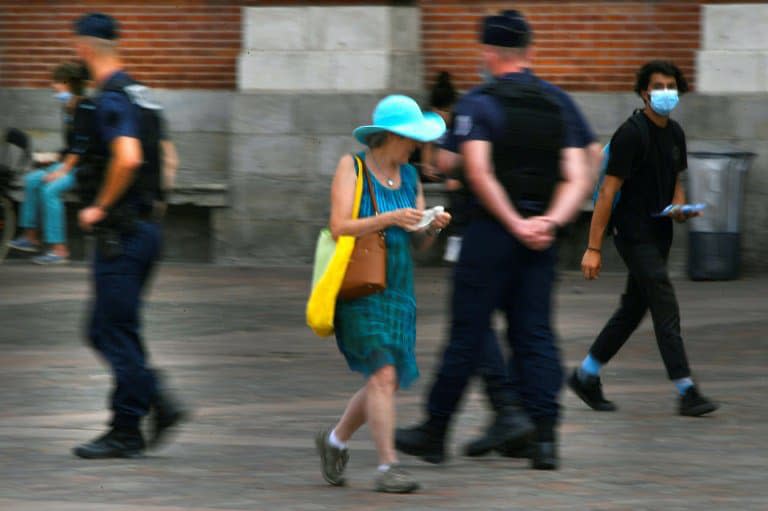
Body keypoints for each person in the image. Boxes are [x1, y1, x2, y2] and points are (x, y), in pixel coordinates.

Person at [395, 10, 594, 470]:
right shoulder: (558, 103)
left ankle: (435, 431)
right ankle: (545, 440)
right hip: (540, 240)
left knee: (467, 334)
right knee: (535, 334)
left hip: (489, 235)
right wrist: (548, 223)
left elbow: (474, 171)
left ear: (488, 53)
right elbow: (580, 173)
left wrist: (510, 220)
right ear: (530, 52)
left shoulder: (480, 102)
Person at [314, 94, 450, 493]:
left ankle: (335, 440)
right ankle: (388, 466)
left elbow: (420, 244)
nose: (417, 146)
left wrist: (432, 226)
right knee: (384, 374)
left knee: (381, 380)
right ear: (391, 136)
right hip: (362, 286)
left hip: (398, 289)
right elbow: (339, 227)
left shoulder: (409, 176)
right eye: (412, 138)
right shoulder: (352, 166)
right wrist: (390, 217)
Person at [569, 60, 718, 417]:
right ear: (643, 92)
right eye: (658, 86)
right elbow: (607, 193)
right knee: (663, 299)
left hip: (660, 233)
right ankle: (686, 390)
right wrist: (593, 247)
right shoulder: (631, 134)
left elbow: (675, 182)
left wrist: (679, 207)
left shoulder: (675, 133)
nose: (665, 92)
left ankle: (586, 375)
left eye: (671, 86)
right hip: (632, 234)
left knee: (634, 308)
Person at [70, 12, 186, 459]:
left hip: (121, 234)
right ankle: (135, 417)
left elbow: (129, 157)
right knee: (110, 331)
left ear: (84, 47)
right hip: (144, 229)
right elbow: (168, 159)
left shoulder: (111, 98)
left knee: (110, 332)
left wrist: (101, 205)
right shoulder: (142, 96)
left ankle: (141, 416)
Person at [8, 62, 91, 264]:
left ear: (70, 84)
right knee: (32, 179)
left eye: (58, 82)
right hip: (71, 162)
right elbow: (71, 145)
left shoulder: (86, 108)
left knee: (50, 189)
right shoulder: (68, 108)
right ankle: (30, 237)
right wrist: (53, 156)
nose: (54, 86)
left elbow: (82, 147)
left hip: (85, 167)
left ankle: (59, 250)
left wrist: (62, 170)